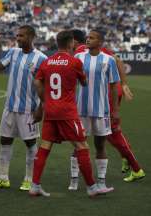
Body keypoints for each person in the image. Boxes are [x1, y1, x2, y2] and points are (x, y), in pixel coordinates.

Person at [30, 30, 113, 197]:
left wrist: (45, 99)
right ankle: (91, 187)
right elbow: (83, 82)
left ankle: (35, 185)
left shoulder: (47, 62)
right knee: (82, 146)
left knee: (44, 147)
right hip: (67, 111)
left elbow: (37, 81)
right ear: (70, 44)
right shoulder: (74, 62)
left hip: (51, 110)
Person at [72, 29, 145, 182]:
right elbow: (117, 59)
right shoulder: (89, 51)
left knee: (112, 132)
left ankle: (136, 167)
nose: (88, 40)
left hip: (104, 96)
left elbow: (116, 60)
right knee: (109, 133)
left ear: (74, 41)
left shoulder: (81, 50)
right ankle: (125, 156)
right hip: (106, 94)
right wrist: (123, 84)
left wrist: (123, 85)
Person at [0, 26, 47, 192]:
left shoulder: (41, 58)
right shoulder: (13, 52)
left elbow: (45, 87)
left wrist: (41, 108)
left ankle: (29, 179)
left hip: (29, 109)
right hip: (10, 107)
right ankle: (3, 177)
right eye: (17, 36)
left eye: (22, 36)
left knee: (30, 143)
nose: (18, 38)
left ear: (32, 37)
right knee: (5, 140)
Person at [69, 30, 120, 191]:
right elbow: (69, 81)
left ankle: (101, 181)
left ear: (100, 42)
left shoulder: (109, 60)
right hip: (80, 110)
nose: (88, 40)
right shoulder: (78, 57)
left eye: (92, 38)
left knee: (100, 145)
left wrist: (115, 111)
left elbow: (113, 86)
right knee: (78, 145)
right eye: (88, 37)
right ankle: (74, 180)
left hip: (101, 111)